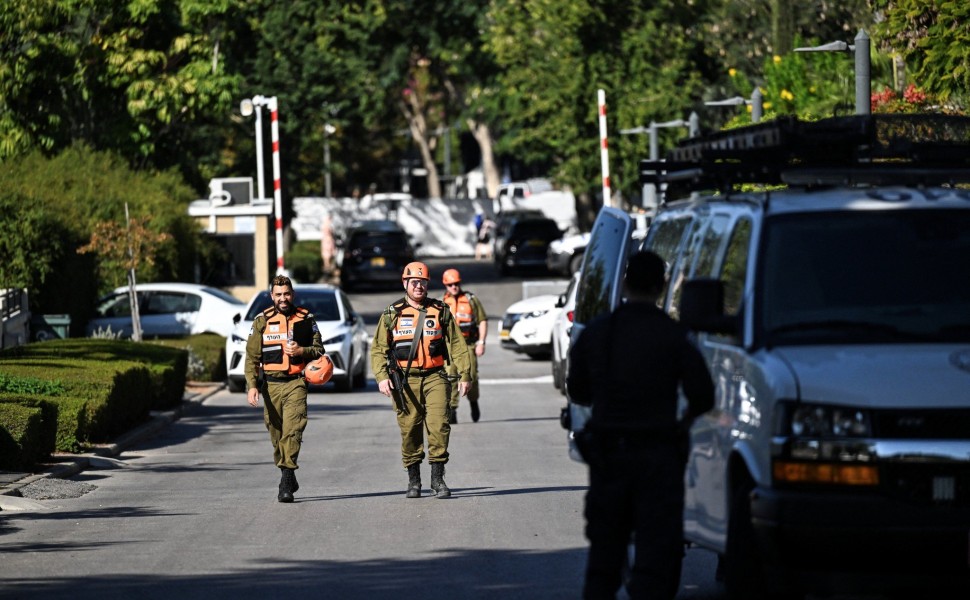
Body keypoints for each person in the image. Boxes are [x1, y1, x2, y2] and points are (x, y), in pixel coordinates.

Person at [567, 251, 714, 600]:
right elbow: (704, 395)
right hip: (659, 459)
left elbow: (577, 389)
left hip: (609, 458)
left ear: (624, 282)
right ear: (662, 285)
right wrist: (682, 424)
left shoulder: (598, 332)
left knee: (604, 561)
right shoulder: (674, 335)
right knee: (655, 560)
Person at [370, 262, 472, 499]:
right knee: (410, 430)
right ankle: (413, 480)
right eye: (414, 282)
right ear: (405, 283)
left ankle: (438, 479)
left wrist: (465, 374)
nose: (419, 287)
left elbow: (457, 344)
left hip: (435, 377)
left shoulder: (440, 310)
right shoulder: (391, 313)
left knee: (439, 426)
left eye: (423, 283)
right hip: (405, 381)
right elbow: (378, 349)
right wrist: (382, 377)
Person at [245, 275, 325, 503]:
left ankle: (286, 481)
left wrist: (302, 351)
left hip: (296, 383)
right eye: (278, 294)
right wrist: (252, 386)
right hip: (270, 385)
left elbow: (319, 349)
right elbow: (251, 358)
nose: (283, 298)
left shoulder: (305, 319)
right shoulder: (262, 321)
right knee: (277, 434)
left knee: (293, 430)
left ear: (293, 294)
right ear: (272, 296)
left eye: (287, 294)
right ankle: (287, 472)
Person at [440, 268, 488, 423]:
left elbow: (482, 320)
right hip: (449, 346)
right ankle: (452, 410)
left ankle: (474, 402)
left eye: (456, 284)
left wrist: (481, 342)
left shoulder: (471, 299)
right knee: (450, 376)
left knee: (471, 376)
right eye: (450, 284)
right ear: (446, 286)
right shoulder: (441, 303)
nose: (454, 287)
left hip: (468, 345)